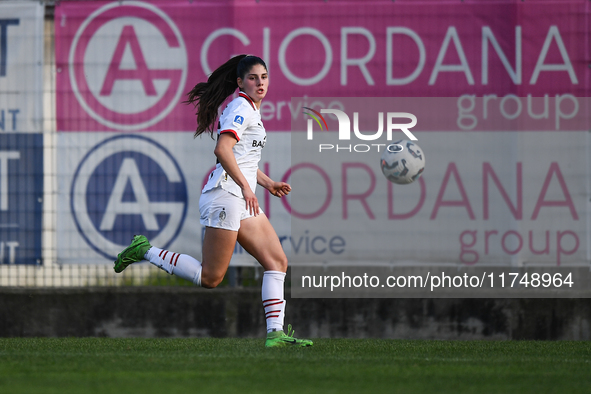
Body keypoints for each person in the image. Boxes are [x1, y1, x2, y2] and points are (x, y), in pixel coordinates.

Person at [113, 55, 313, 348]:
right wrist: (246, 187)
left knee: (277, 261)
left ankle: (275, 334)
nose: (260, 83)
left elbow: (241, 158)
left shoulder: (250, 109)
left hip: (238, 195)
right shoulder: (241, 108)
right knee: (210, 278)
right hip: (225, 197)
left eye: (264, 77)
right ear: (240, 82)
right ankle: (145, 250)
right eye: (253, 78)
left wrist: (267, 183)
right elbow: (223, 149)